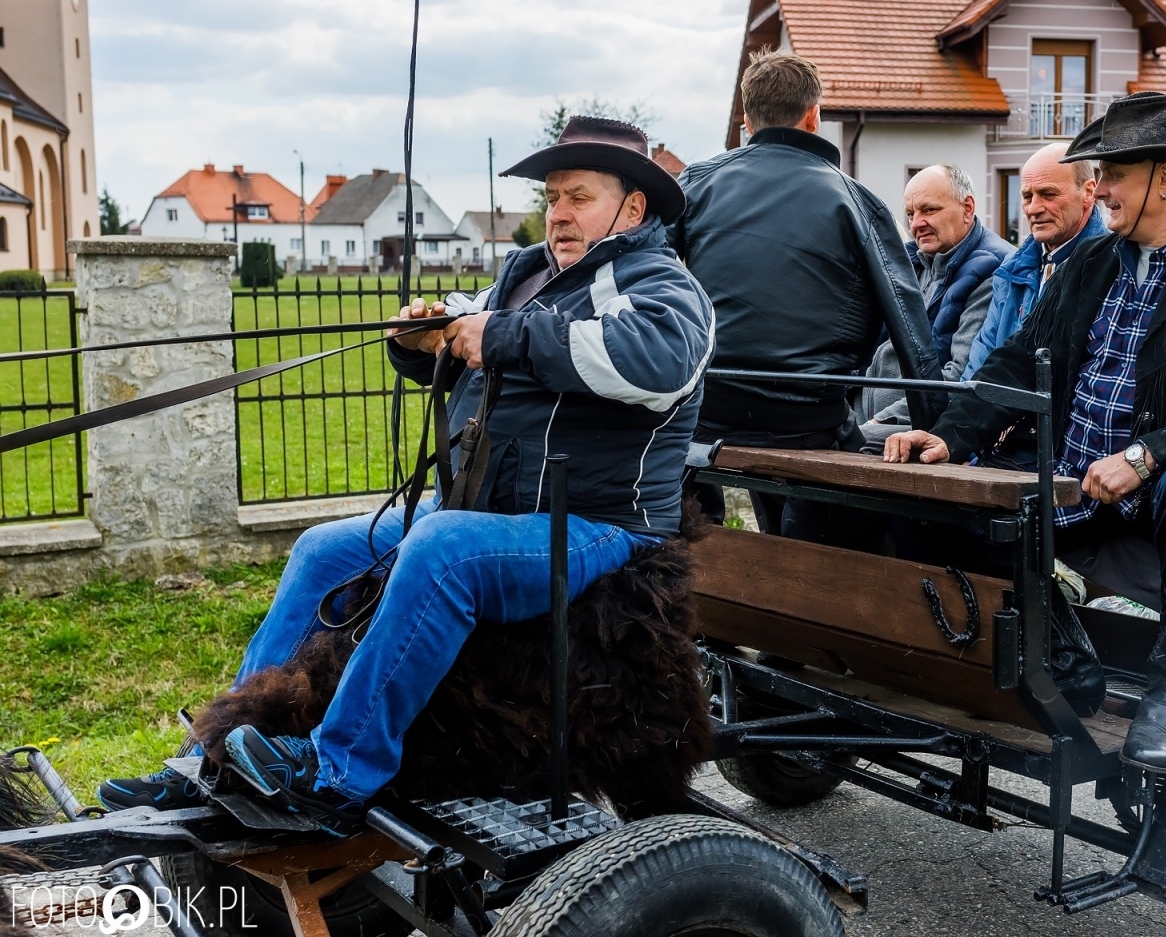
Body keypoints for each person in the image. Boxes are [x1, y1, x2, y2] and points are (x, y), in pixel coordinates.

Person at [98, 117, 716, 829]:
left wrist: (501, 335)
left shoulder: (663, 284)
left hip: (599, 526)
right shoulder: (525, 274)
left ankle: (338, 772)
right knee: (324, 549)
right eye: (552, 197)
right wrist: (419, 341)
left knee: (442, 549)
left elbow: (659, 360)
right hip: (499, 515)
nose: (559, 213)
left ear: (632, 208)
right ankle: (216, 754)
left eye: (579, 196)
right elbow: (471, 332)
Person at [882, 92, 1166, 774]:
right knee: (935, 501)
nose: (1100, 188)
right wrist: (951, 436)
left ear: (1165, 178)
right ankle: (1065, 654)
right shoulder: (1093, 263)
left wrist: (1150, 456)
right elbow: (1021, 357)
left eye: (1112, 174)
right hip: (1076, 485)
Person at [670, 49, 941, 538]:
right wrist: (938, 428)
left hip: (710, 405)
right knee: (849, 508)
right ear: (814, 117)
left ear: (747, 121)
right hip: (807, 414)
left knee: (683, 451)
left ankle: (704, 547)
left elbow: (649, 273)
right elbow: (910, 324)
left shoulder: (695, 183)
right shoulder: (857, 200)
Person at [855, 164, 1013, 435]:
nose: (916, 223)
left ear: (968, 208)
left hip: (916, 426)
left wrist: (879, 423)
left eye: (929, 210)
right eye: (910, 214)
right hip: (867, 416)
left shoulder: (993, 269)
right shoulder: (906, 263)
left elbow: (959, 376)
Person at [963, 143, 1106, 379]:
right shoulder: (1010, 270)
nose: (1033, 209)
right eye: (1027, 196)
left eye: (1048, 194)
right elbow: (979, 368)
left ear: (1089, 192)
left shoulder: (1113, 268)